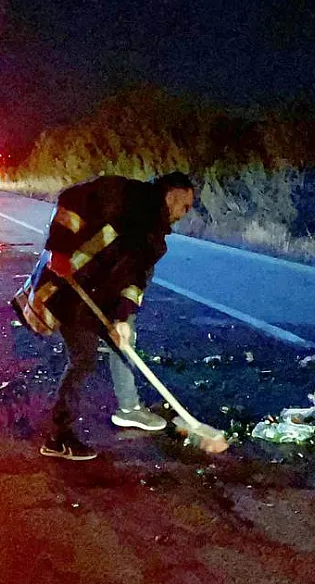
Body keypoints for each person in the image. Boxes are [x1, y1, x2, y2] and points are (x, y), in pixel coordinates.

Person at [13, 172, 195, 460]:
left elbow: (135, 281)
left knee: (89, 358)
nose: (185, 214)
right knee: (83, 359)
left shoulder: (155, 240)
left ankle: (120, 411)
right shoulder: (121, 192)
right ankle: (60, 437)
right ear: (173, 194)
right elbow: (71, 201)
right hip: (70, 285)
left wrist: (122, 318)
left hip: (97, 301)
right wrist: (59, 248)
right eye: (186, 206)